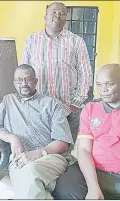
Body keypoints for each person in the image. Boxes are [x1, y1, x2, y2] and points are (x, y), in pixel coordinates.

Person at [52, 64, 120, 199]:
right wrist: (93, 187)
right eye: (99, 84)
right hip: (95, 174)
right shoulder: (90, 109)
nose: (103, 90)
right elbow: (84, 150)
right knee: (64, 186)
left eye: (109, 84)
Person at [0, 64, 73, 199]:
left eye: (28, 79)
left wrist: (38, 153)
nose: (23, 84)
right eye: (19, 80)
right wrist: (13, 138)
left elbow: (63, 142)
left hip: (50, 157)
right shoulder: (8, 101)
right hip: (19, 160)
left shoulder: (52, 103)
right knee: (31, 180)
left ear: (36, 81)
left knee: (30, 171)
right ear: (14, 83)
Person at [21, 2, 92, 141]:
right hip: (37, 108)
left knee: (66, 153)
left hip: (68, 109)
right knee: (39, 146)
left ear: (66, 18)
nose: (58, 15)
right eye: (54, 12)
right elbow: (24, 73)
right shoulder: (31, 40)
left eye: (62, 13)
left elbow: (85, 73)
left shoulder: (76, 42)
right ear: (45, 17)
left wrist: (76, 103)